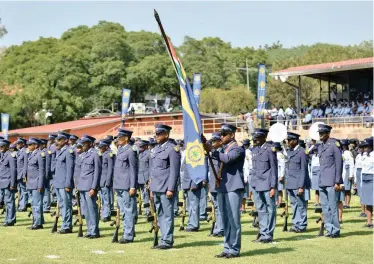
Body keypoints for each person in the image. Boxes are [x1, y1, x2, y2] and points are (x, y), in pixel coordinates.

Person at [204, 123, 245, 259]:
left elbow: (228, 159)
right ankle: (227, 247)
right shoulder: (223, 149)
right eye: (220, 134)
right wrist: (209, 149)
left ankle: (234, 249)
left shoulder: (237, 148)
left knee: (233, 219)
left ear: (232, 135)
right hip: (222, 186)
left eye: (224, 134)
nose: (221, 136)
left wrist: (213, 151)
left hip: (233, 187)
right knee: (225, 219)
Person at [149, 124, 181, 250]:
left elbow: (174, 171)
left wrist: (171, 189)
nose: (156, 136)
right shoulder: (156, 149)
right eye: (156, 134)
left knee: (167, 215)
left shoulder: (172, 149)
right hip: (156, 187)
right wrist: (151, 187)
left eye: (159, 134)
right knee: (160, 214)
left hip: (165, 187)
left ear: (166, 135)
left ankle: (167, 240)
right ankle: (163, 238)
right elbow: (153, 170)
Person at [251, 128, 277, 243]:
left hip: (267, 184)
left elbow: (274, 169)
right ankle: (263, 233)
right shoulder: (254, 150)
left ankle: (268, 234)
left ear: (263, 138)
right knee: (261, 209)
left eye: (258, 138)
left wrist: (273, 186)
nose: (256, 140)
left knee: (270, 209)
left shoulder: (269, 150)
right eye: (255, 138)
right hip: (256, 184)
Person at [317, 124, 343, 238]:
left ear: (328, 134)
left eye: (322, 133)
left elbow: (339, 164)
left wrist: (337, 181)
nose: (320, 136)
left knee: (333, 207)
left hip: (332, 181)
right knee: (325, 208)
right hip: (322, 180)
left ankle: (335, 230)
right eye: (319, 133)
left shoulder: (334, 146)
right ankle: (329, 229)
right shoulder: (320, 147)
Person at [113, 128, 138, 244]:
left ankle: (128, 235)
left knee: (128, 211)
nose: (118, 139)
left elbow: (133, 170)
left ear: (126, 138)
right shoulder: (120, 150)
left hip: (127, 186)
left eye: (120, 137)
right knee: (123, 211)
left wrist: (133, 186)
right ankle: (127, 231)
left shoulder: (130, 151)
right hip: (119, 185)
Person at [78, 135, 101, 239]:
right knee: (86, 210)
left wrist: (94, 187)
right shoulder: (83, 155)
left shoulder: (95, 154)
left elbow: (97, 172)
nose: (83, 145)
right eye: (82, 144)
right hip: (82, 186)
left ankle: (94, 231)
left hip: (90, 186)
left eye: (85, 143)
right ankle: (89, 229)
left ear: (91, 144)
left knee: (92, 209)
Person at [285, 132, 309, 232]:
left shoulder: (301, 152)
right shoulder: (289, 151)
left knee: (301, 205)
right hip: (290, 183)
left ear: (295, 141)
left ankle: (302, 225)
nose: (288, 142)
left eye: (289, 140)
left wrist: (301, 186)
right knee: (294, 205)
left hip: (298, 183)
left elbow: (303, 170)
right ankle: (295, 224)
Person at [54, 132, 75, 234]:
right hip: (58, 183)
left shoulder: (68, 151)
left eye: (59, 140)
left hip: (64, 184)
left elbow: (69, 169)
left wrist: (68, 184)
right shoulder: (59, 151)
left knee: (66, 205)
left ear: (65, 140)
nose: (57, 142)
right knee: (62, 205)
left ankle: (67, 226)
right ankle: (64, 224)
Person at [25, 138, 46, 230]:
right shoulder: (30, 154)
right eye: (28, 145)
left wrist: (40, 185)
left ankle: (37, 223)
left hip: (36, 183)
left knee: (37, 204)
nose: (28, 146)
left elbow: (42, 171)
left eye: (30, 145)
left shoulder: (40, 155)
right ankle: (37, 221)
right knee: (33, 203)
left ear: (36, 145)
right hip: (30, 183)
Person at [207, 132, 224, 237]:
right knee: (217, 207)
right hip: (213, 183)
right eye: (212, 141)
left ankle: (221, 229)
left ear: (220, 141)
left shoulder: (222, 153)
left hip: (220, 184)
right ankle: (218, 228)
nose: (212, 143)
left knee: (220, 207)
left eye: (214, 141)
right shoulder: (212, 153)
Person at [0, 139, 17, 226]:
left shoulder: (11, 156)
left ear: (7, 147)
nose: (1, 148)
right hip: (2, 182)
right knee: (6, 202)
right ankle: (7, 219)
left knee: (10, 202)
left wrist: (13, 184)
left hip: (8, 182)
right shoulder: (2, 155)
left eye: (2, 146)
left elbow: (13, 170)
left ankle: (10, 220)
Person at [98, 140, 114, 222]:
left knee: (106, 199)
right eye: (99, 147)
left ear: (106, 147)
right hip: (100, 181)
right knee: (103, 199)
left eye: (102, 147)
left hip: (105, 181)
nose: (100, 148)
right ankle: (104, 213)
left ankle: (107, 214)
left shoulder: (109, 155)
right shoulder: (101, 155)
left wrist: (108, 181)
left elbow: (110, 169)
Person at [360, 137, 373, 228]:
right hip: (365, 178)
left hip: (372, 178)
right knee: (367, 201)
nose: (365, 148)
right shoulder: (365, 156)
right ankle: (369, 222)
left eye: (367, 146)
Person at [137, 140, 151, 217]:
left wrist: (149, 179)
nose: (140, 148)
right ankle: (146, 210)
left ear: (146, 146)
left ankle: (148, 211)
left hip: (146, 179)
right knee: (143, 195)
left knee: (147, 195)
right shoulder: (139, 154)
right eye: (140, 146)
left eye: (142, 146)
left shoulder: (149, 154)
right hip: (140, 179)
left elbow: (150, 168)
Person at [15, 138, 28, 212]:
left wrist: (24, 175)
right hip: (18, 174)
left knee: (24, 190)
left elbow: (25, 164)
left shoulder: (25, 151)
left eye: (19, 143)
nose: (17, 145)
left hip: (22, 174)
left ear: (23, 144)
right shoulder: (19, 152)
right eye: (17, 144)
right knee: (20, 190)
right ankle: (21, 204)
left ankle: (23, 205)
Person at [341, 139, 354, 209]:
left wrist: (351, 174)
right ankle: (343, 202)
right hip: (343, 171)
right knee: (343, 188)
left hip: (347, 171)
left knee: (347, 189)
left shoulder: (349, 153)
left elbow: (352, 163)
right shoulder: (341, 152)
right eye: (343, 145)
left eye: (344, 145)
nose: (343, 147)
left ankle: (347, 203)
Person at [355, 142, 367, 217]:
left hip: (365, 172)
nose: (360, 149)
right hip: (358, 173)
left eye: (362, 148)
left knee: (366, 193)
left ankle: (367, 211)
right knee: (361, 193)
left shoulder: (368, 156)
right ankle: (363, 211)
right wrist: (355, 179)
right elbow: (356, 167)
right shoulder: (358, 156)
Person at [274, 142, 285, 206]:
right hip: (275, 174)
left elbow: (283, 165)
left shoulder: (280, 154)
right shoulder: (274, 154)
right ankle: (276, 201)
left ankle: (280, 202)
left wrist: (282, 175)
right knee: (275, 189)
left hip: (279, 174)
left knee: (279, 189)